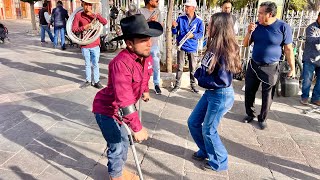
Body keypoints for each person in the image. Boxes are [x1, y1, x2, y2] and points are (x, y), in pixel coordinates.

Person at [92, 14, 163, 180]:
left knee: (124, 142)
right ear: (130, 44)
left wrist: (144, 89)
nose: (149, 43)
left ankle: (117, 170)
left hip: (121, 111)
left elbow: (145, 75)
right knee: (117, 144)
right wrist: (137, 127)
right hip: (107, 110)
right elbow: (124, 99)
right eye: (143, 40)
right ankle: (115, 176)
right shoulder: (120, 63)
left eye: (149, 39)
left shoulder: (146, 56)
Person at [188, 12, 241, 172]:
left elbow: (222, 80)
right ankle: (206, 151)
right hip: (211, 93)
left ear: (219, 27)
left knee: (209, 130)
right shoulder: (213, 45)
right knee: (193, 122)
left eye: (210, 24)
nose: (207, 26)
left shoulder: (225, 50)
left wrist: (200, 79)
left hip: (221, 95)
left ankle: (220, 161)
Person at [243, 1, 295, 129]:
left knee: (267, 95)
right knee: (249, 90)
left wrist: (292, 68)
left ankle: (262, 118)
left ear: (270, 14)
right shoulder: (256, 26)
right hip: (254, 65)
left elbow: (288, 49)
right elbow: (245, 44)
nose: (258, 16)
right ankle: (250, 114)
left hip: (271, 67)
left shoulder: (283, 27)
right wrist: (249, 32)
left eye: (261, 13)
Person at [72, 0, 107, 89]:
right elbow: (74, 29)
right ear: (82, 4)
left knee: (95, 63)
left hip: (95, 43)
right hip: (85, 44)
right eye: (85, 4)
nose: (87, 6)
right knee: (87, 63)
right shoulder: (78, 15)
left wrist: (96, 15)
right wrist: (84, 27)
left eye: (89, 4)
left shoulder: (95, 15)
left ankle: (96, 81)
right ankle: (88, 80)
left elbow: (105, 22)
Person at [171, 0, 204, 93]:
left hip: (192, 47)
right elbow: (174, 32)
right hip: (181, 45)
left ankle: (193, 85)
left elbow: (201, 34)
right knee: (180, 67)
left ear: (193, 8)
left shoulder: (199, 20)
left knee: (193, 67)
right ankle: (177, 85)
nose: (185, 8)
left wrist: (193, 36)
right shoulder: (180, 18)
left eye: (187, 7)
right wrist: (173, 27)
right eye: (185, 6)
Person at [137, 0, 163, 94]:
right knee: (141, 65)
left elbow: (161, 27)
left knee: (156, 65)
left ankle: (156, 84)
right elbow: (137, 26)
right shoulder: (140, 11)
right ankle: (142, 85)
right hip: (142, 43)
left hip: (154, 43)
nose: (158, 1)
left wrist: (156, 22)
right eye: (156, 0)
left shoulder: (158, 11)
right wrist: (148, 21)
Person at [300, 12, 320, 106]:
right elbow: (311, 40)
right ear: (318, 17)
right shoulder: (311, 28)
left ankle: (316, 98)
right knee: (307, 79)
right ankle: (304, 97)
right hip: (310, 58)